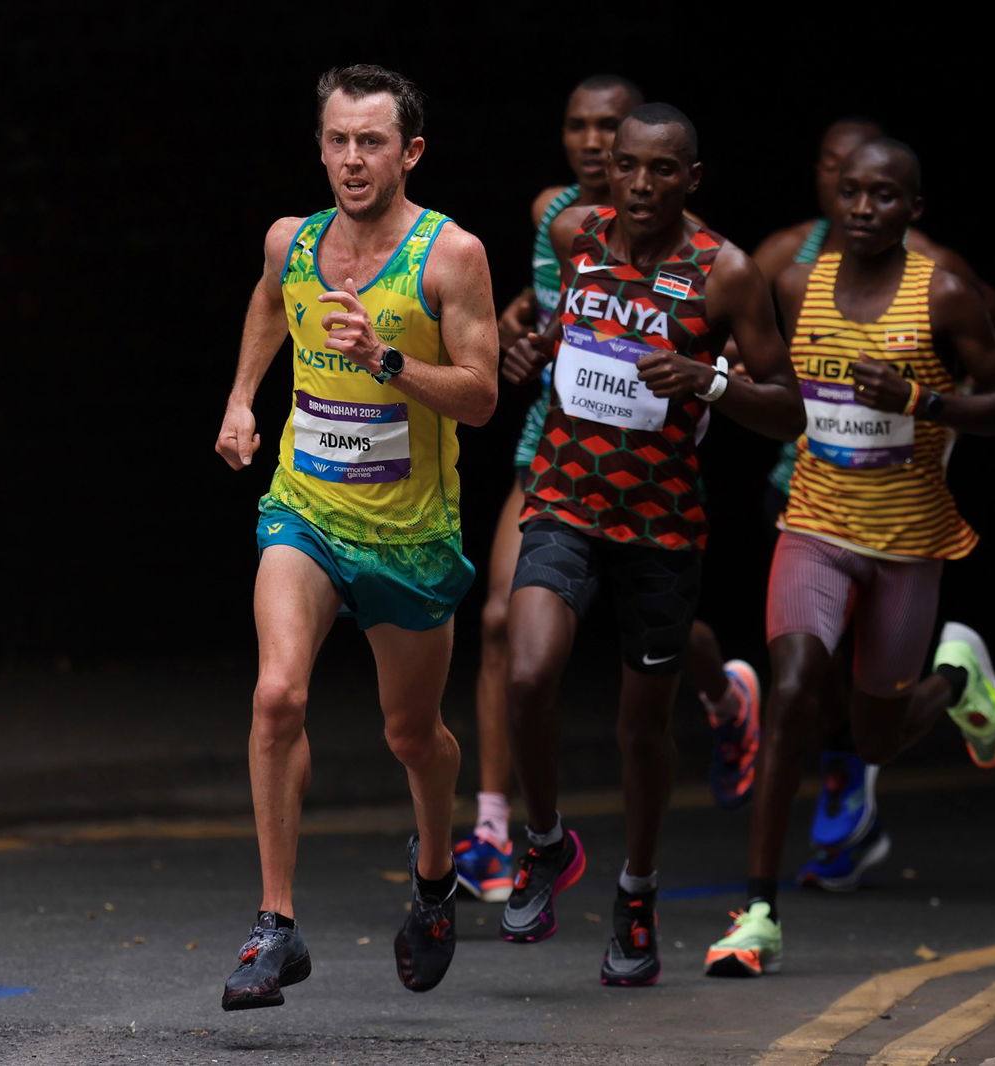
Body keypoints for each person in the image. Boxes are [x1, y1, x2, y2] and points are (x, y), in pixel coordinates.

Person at [704, 138, 995, 977]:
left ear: (913, 209)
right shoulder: (797, 282)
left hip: (907, 544)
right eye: (851, 193)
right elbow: (774, 382)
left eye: (884, 196)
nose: (862, 209)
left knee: (878, 739)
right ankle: (761, 914)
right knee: (793, 689)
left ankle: (956, 679)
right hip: (814, 525)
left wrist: (925, 399)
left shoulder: (946, 295)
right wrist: (727, 373)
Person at [496, 103, 805, 987]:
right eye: (627, 166)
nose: (638, 183)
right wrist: (531, 349)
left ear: (691, 179)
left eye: (661, 171)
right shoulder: (575, 236)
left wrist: (707, 379)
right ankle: (547, 842)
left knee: (642, 730)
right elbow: (563, 336)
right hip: (561, 496)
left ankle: (637, 895)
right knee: (526, 673)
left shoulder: (728, 273)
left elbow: (787, 407)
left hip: (662, 523)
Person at [211, 64, 498, 1008]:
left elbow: (484, 394)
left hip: (411, 536)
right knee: (276, 695)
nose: (351, 159)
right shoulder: (292, 243)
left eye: (370, 141)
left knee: (412, 734)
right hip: (305, 508)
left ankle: (434, 873)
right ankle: (276, 924)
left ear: (409, 151)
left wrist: (383, 357)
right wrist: (243, 400)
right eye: (337, 140)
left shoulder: (450, 255)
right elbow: (268, 303)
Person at [453, 73, 644, 905]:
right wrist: (518, 340)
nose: (594, 141)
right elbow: (546, 310)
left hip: (644, 460)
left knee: (658, 644)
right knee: (497, 618)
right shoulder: (548, 212)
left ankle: (722, 689)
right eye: (579, 125)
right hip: (553, 444)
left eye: (611, 126)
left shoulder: (677, 234)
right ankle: (494, 828)